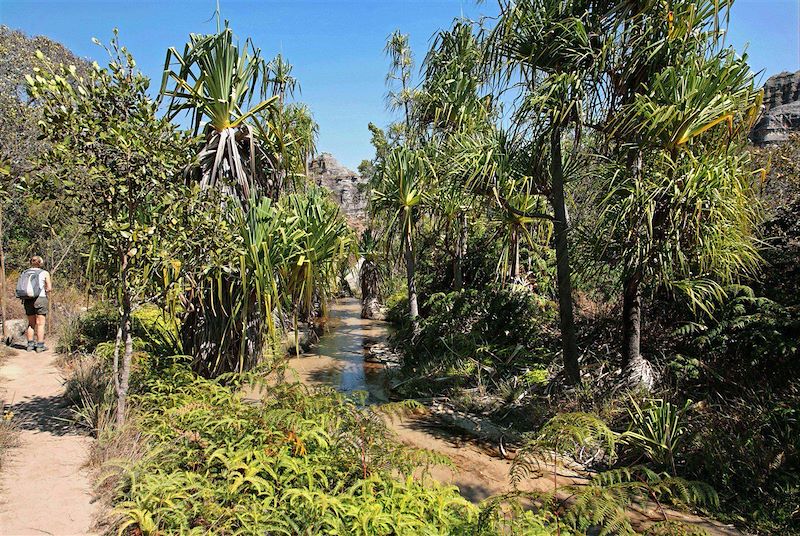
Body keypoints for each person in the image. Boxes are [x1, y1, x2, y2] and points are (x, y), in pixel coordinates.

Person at [18, 256, 52, 352]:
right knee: (40, 324)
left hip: (28, 299)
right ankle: (40, 346)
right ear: (40, 263)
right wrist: (45, 290)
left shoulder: (25, 272)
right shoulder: (44, 273)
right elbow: (49, 288)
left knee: (31, 323)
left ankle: (30, 345)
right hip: (40, 299)